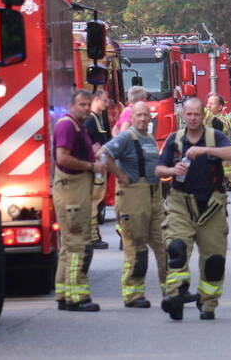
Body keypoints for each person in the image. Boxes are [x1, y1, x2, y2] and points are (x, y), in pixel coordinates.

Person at [155, 97, 231, 321]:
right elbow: (158, 169)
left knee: (214, 261)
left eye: (196, 114)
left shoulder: (215, 137)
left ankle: (207, 302)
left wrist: (205, 151)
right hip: (180, 204)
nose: (192, 118)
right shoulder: (175, 139)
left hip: (211, 206)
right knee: (176, 250)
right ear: (183, 116)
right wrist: (172, 170)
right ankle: (175, 297)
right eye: (188, 114)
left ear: (203, 116)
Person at [99, 101, 167, 308]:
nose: (143, 119)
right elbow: (103, 154)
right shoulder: (127, 137)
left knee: (163, 244)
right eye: (139, 115)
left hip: (153, 196)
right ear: (132, 117)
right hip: (133, 197)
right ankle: (133, 294)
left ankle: (171, 291)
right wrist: (120, 175)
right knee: (136, 246)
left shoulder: (147, 138)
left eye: (146, 115)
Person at [52, 89, 105, 311]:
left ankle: (64, 293)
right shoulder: (67, 125)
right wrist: (91, 165)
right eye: (81, 104)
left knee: (68, 247)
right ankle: (77, 297)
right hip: (72, 195)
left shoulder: (78, 126)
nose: (85, 108)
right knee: (77, 246)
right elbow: (62, 157)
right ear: (73, 105)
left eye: (87, 104)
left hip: (75, 192)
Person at [85, 89, 112, 249]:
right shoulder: (91, 119)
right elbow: (85, 140)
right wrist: (91, 150)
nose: (106, 103)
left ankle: (94, 234)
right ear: (95, 100)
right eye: (104, 100)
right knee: (94, 201)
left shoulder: (96, 118)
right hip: (96, 167)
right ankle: (93, 236)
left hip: (99, 166)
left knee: (97, 200)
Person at [203, 94, 231, 188]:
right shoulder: (205, 120)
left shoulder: (222, 119)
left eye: (211, 104)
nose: (208, 106)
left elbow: (221, 127)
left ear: (220, 107)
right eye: (208, 103)